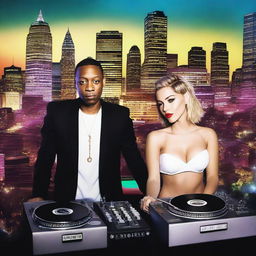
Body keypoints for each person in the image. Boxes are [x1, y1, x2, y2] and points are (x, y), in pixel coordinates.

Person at [29, 57, 147, 203]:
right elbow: (45, 158)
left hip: (109, 201)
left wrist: (151, 194)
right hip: (67, 201)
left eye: (95, 81)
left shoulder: (119, 115)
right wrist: (38, 194)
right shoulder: (58, 113)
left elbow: (133, 159)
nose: (89, 87)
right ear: (76, 84)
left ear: (103, 82)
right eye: (82, 81)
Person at [140, 74, 219, 212]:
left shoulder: (208, 135)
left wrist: (203, 203)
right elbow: (153, 179)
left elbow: (212, 177)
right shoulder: (156, 137)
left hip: (202, 206)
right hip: (166, 207)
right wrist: (150, 197)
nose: (165, 108)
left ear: (186, 97)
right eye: (161, 103)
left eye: (170, 100)